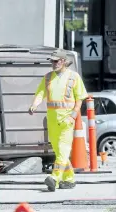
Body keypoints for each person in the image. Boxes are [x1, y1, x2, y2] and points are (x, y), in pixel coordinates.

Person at [28, 50, 88, 192]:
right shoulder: (48, 77)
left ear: (64, 61)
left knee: (63, 150)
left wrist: (72, 116)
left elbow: (79, 99)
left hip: (67, 120)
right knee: (59, 151)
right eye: (52, 61)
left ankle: (54, 178)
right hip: (53, 121)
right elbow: (41, 93)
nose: (53, 63)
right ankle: (69, 179)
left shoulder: (74, 77)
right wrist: (34, 104)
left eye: (56, 61)